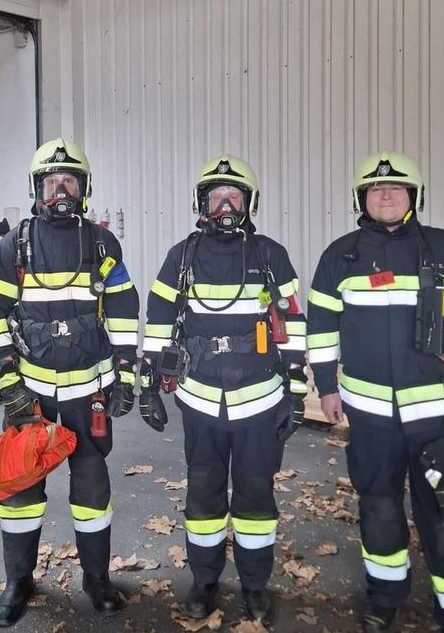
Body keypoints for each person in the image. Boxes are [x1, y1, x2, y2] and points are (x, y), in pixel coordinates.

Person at [306, 152, 444, 633]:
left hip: (438, 416)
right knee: (378, 508)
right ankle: (384, 599)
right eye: (376, 190)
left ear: (414, 197)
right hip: (370, 416)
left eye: (397, 188)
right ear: (362, 198)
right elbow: (320, 327)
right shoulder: (341, 256)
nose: (387, 195)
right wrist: (327, 389)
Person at [0, 138, 139, 627]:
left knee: (92, 492)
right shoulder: (14, 245)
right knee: (21, 494)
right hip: (33, 397)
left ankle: (96, 580)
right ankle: (18, 581)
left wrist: (126, 377)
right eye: (52, 182)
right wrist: (9, 383)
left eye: (70, 181)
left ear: (83, 189)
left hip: (89, 394)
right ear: (37, 189)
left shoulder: (102, 243)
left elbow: (126, 310)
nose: (61, 190)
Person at [141, 155, 307, 626]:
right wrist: (150, 386)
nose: (226, 205)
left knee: (256, 497)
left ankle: (255, 585)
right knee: (205, 495)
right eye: (218, 197)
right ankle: (205, 581)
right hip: (200, 400)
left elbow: (292, 321)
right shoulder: (182, 256)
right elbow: (158, 322)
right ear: (202, 203)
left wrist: (295, 391)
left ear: (249, 204)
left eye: (235, 196)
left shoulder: (270, 255)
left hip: (259, 399)